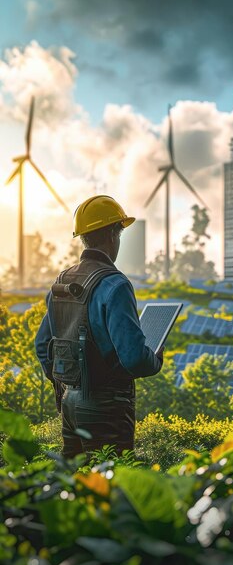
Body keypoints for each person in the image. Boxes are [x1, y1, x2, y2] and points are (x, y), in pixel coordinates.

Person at [35, 195, 163, 458]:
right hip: (106, 408)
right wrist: (155, 359)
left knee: (74, 487)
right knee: (109, 486)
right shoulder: (115, 285)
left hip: (69, 403)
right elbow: (135, 359)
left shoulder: (63, 280)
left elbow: (41, 346)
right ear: (111, 235)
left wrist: (66, 383)